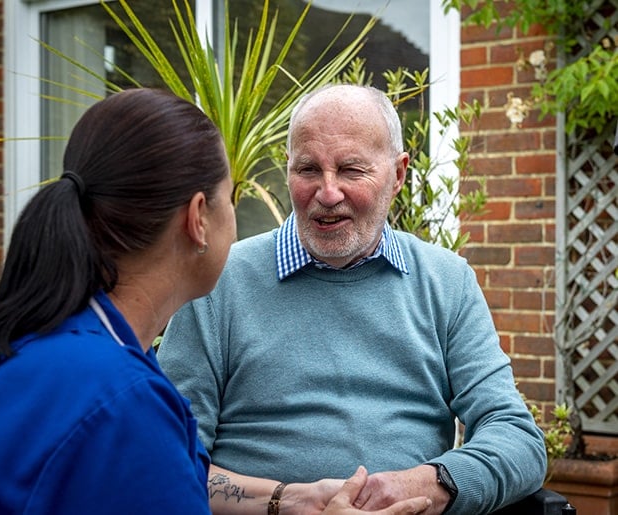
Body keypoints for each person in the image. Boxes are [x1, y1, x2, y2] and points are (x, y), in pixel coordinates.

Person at [0, 88, 431, 515]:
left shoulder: (25, 349)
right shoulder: (126, 407)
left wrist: (293, 500)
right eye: (231, 197)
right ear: (199, 218)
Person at [157, 84, 548, 515]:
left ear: (398, 175)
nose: (327, 193)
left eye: (350, 170)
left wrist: (428, 485)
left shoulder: (446, 282)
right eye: (308, 170)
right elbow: (167, 461)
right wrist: (283, 502)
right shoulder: (219, 282)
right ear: (287, 170)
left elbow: (518, 439)